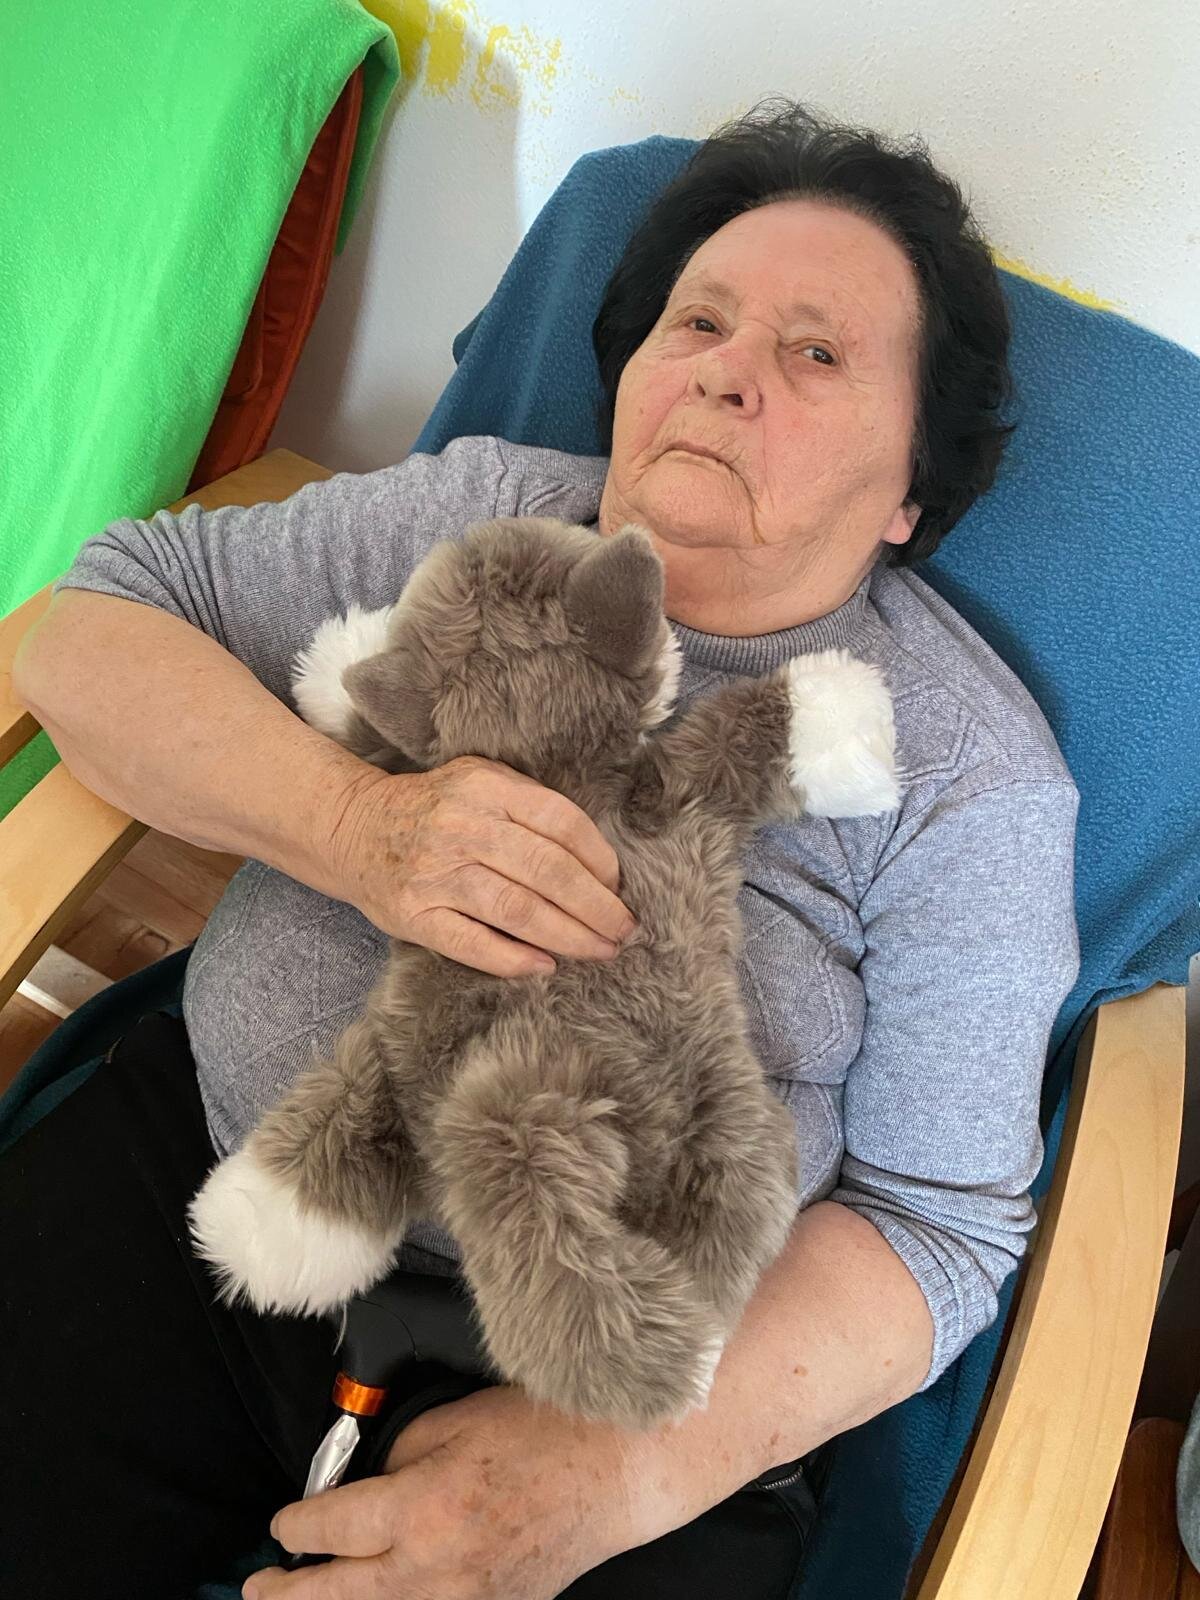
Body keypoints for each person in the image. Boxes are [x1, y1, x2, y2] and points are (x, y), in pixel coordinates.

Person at [3, 98, 1080, 1600]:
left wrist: (618, 1474)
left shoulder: (963, 772)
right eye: (699, 320)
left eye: (818, 354)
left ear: (912, 492)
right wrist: (357, 828)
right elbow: (97, 624)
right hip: (208, 1189)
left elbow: (937, 1220)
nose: (725, 370)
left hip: (621, 1372)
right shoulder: (489, 514)